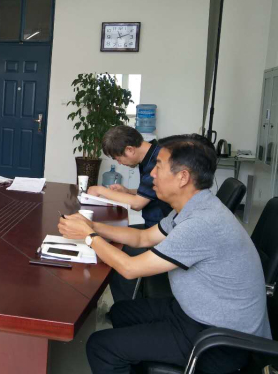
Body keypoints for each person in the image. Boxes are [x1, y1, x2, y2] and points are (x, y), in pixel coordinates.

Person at [58, 134, 271, 373]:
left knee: (100, 347)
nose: (152, 174)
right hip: (197, 312)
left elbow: (130, 268)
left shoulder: (201, 223)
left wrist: (89, 236)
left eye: (159, 166)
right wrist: (92, 226)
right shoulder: (193, 207)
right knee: (121, 312)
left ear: (183, 177)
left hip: (218, 340)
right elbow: (142, 238)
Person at [88, 125, 173, 301]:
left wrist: (101, 190)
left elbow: (138, 204)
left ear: (130, 149)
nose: (119, 163)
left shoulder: (157, 162)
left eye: (118, 158)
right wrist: (128, 191)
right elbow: (150, 193)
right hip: (157, 225)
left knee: (114, 253)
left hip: (162, 229)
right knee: (113, 239)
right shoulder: (151, 153)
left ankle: (127, 306)